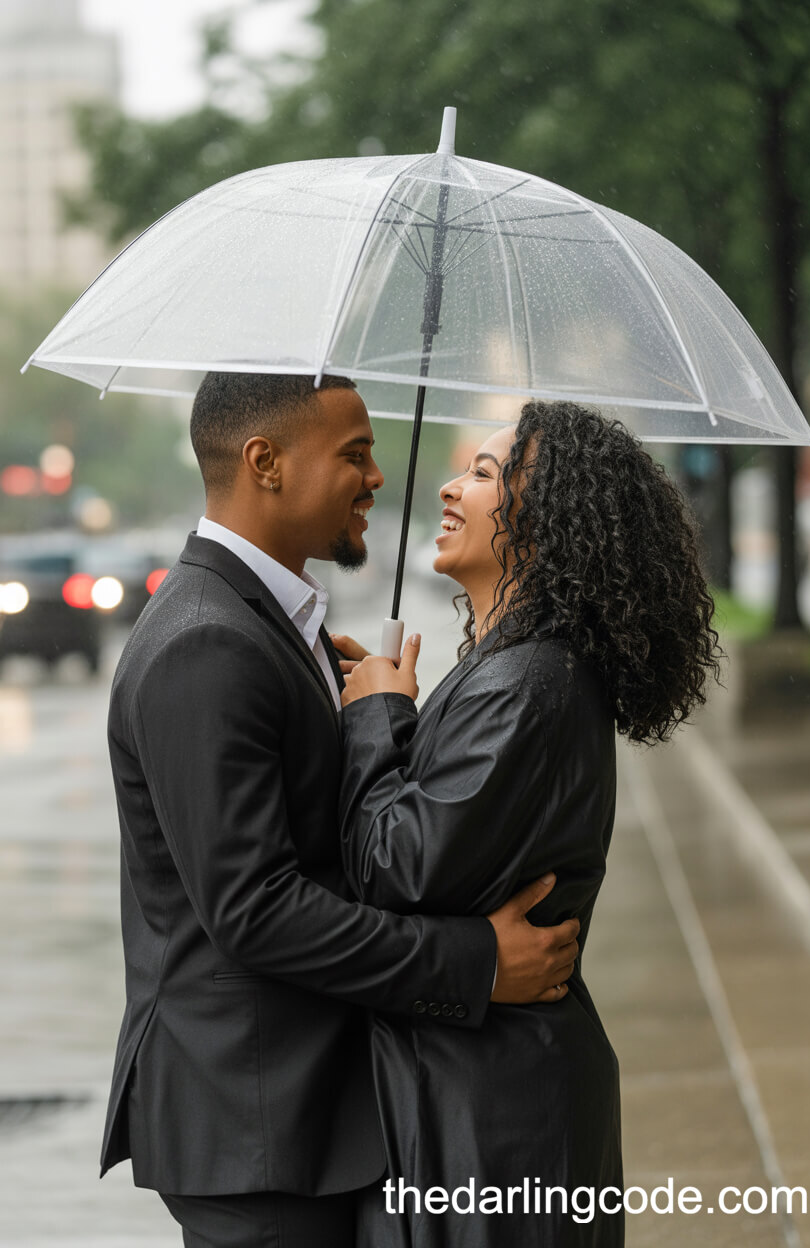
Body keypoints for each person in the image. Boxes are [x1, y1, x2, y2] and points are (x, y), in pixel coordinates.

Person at [99, 372, 584, 1248]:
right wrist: (474, 963)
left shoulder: (274, 624)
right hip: (257, 1127)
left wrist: (375, 716)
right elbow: (255, 909)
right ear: (266, 462)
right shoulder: (206, 640)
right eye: (354, 455)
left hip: (308, 1117)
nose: (377, 478)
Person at [335, 400, 722, 1247]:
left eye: (483, 473)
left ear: (547, 520)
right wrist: (391, 710)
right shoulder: (512, 666)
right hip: (482, 1088)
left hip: (496, 1116)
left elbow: (394, 868)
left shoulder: (530, 683)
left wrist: (375, 720)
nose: (450, 487)